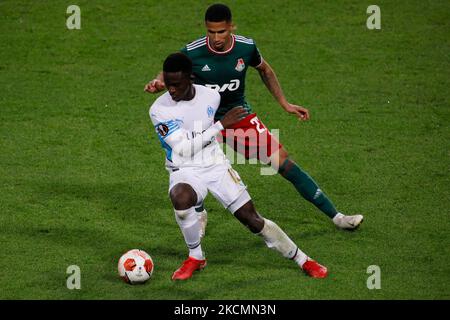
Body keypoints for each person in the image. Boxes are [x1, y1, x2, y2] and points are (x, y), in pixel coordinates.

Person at [145, 4, 363, 237]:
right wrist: (158, 82)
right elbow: (172, 67)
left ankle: (337, 216)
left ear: (231, 27)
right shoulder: (194, 51)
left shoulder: (246, 47)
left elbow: (265, 70)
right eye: (211, 32)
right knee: (192, 165)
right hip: (202, 121)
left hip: (238, 117)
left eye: (221, 32)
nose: (216, 38)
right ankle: (198, 211)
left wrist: (285, 103)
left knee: (284, 163)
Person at [149, 52, 328, 280]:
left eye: (176, 84)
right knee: (181, 198)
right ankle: (196, 256)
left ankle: (304, 260)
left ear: (191, 78)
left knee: (253, 220)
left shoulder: (211, 97)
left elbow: (234, 115)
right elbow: (183, 148)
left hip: (215, 165)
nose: (171, 90)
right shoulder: (159, 109)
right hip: (183, 169)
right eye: (167, 84)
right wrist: (220, 126)